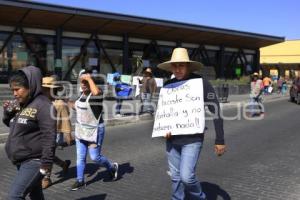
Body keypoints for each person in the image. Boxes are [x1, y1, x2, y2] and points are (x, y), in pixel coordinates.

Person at [156, 48, 226, 200]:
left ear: (188, 66)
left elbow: (215, 109)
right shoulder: (168, 85)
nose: (178, 69)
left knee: (187, 177)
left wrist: (220, 139)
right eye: (175, 66)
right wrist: (163, 129)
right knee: (175, 177)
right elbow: (163, 111)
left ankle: (200, 197)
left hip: (192, 140)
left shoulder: (201, 83)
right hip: (172, 140)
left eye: (182, 65)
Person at [2, 66, 56, 200]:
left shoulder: (44, 106)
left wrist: (46, 164)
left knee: (14, 196)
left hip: (34, 161)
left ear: (30, 86)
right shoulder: (22, 103)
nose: (14, 94)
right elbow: (11, 124)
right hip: (21, 159)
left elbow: (49, 136)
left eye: (17, 89)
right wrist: (8, 112)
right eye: (12, 90)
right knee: (35, 194)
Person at [69, 69, 119, 191]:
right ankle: (80, 181)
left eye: (86, 82)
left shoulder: (97, 94)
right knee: (80, 157)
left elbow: (95, 92)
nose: (83, 84)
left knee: (95, 157)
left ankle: (112, 167)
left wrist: (89, 78)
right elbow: (76, 107)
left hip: (94, 131)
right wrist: (64, 103)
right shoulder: (81, 96)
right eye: (82, 82)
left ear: (91, 82)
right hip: (81, 131)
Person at [41, 76, 72, 189]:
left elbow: (66, 119)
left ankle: (46, 178)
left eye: (45, 88)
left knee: (47, 154)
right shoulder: (39, 101)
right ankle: (63, 164)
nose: (42, 90)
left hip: (54, 133)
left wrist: (68, 133)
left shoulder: (59, 103)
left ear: (52, 89)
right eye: (42, 88)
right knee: (46, 154)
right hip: (40, 133)